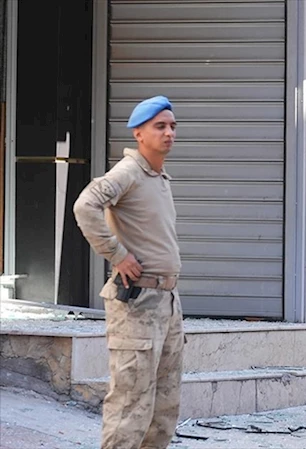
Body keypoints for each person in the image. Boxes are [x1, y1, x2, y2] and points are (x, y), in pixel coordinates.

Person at [73, 95, 184, 449]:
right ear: (138, 133)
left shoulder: (158, 176)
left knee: (164, 407)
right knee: (130, 404)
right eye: (159, 127)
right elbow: (85, 206)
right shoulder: (129, 172)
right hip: (138, 303)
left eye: (172, 126)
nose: (169, 133)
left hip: (166, 300)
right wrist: (117, 255)